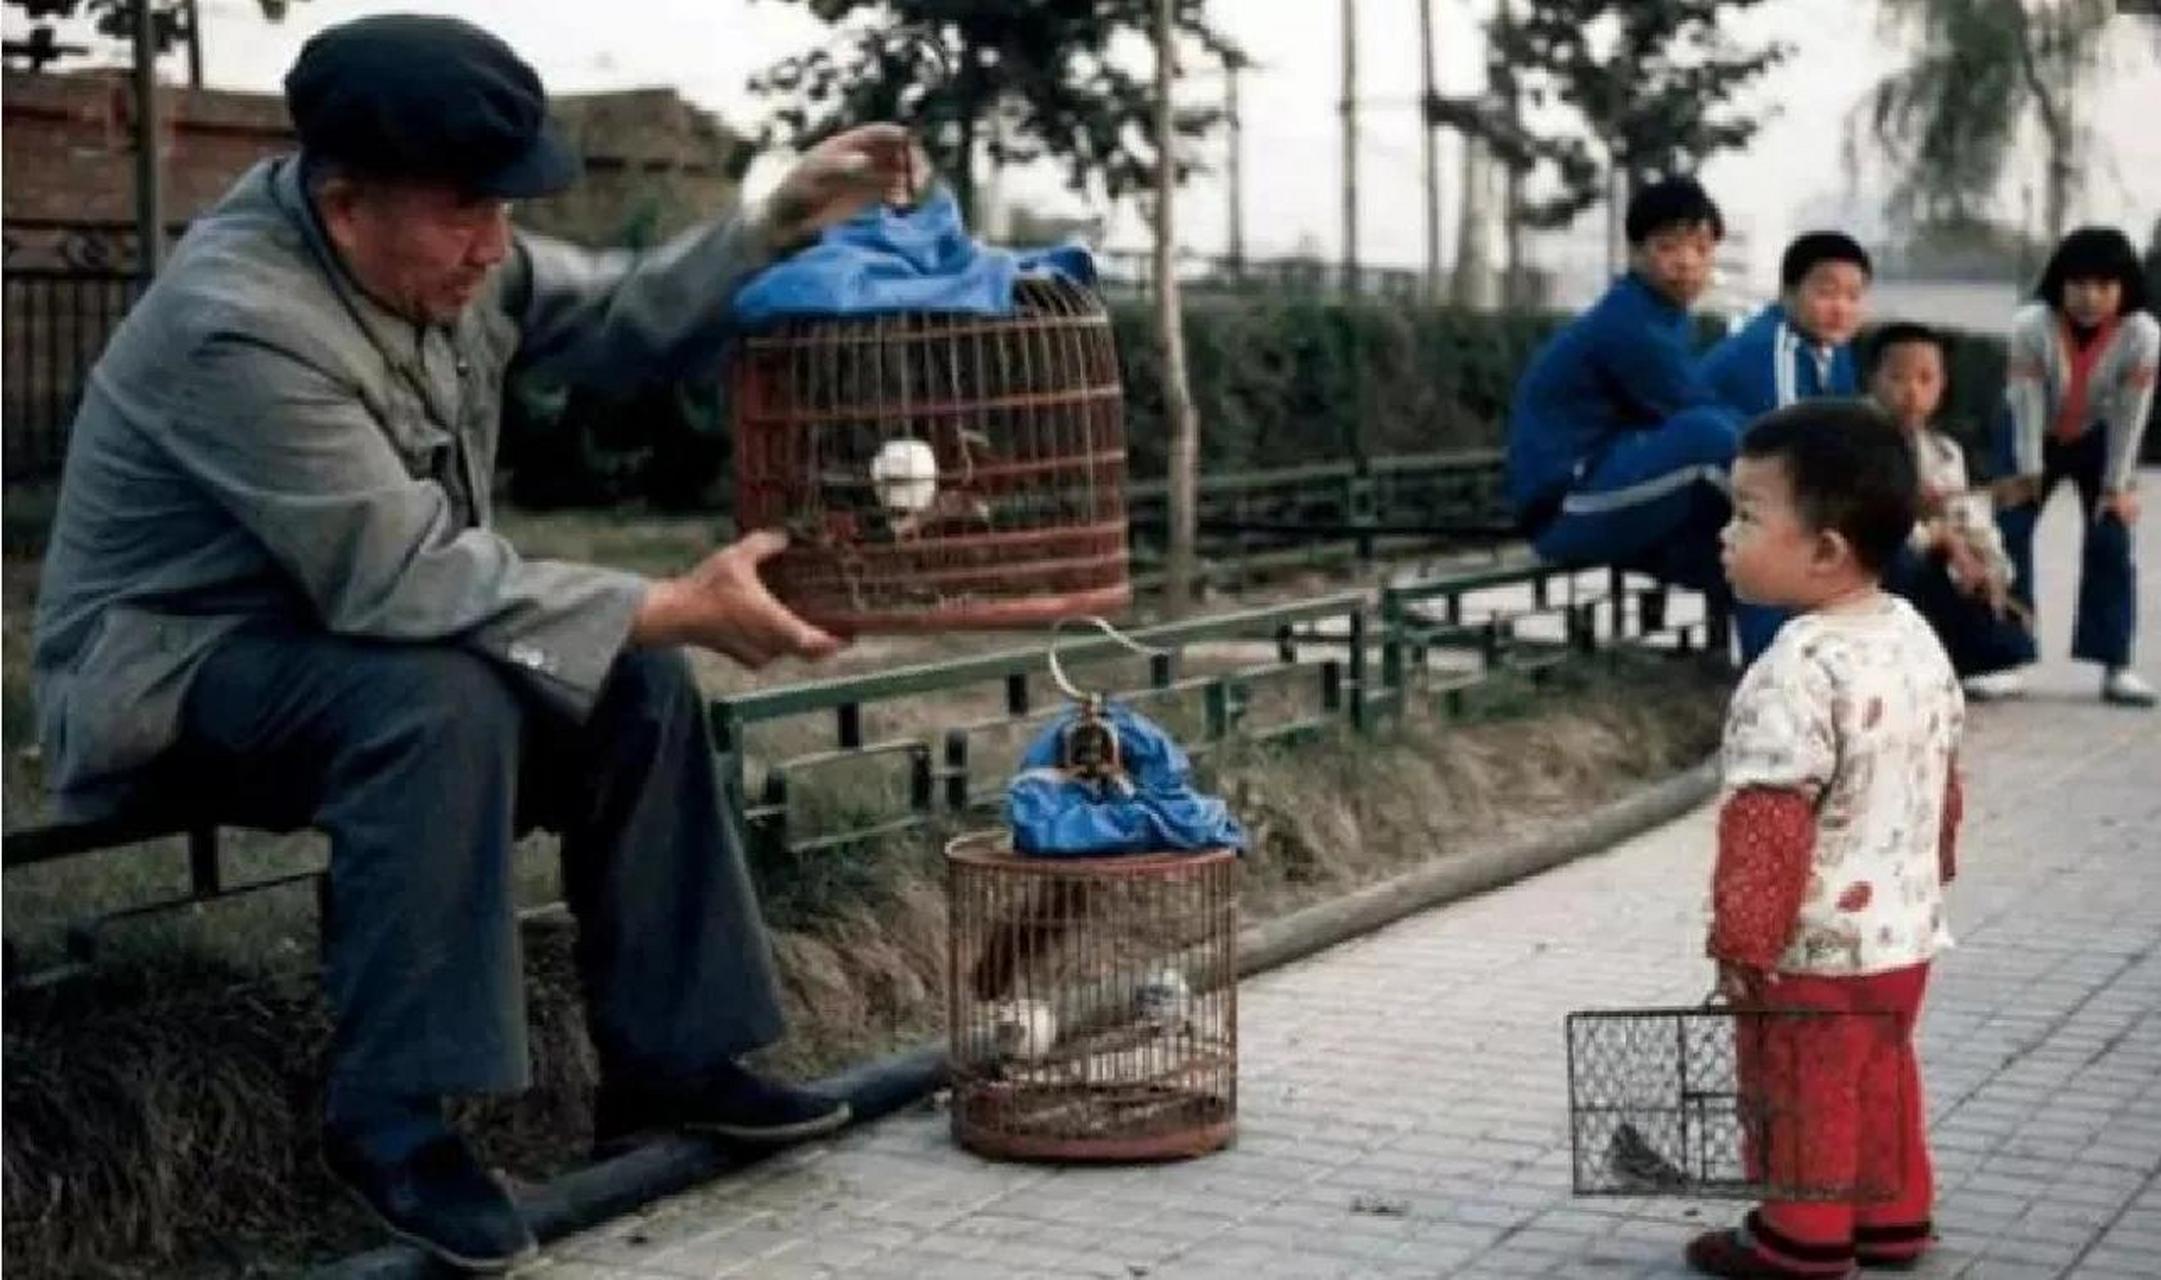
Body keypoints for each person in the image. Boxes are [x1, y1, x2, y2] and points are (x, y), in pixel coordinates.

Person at [30, 15, 926, 1271]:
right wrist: (672, 595)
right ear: (342, 206)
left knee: (637, 677)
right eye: (469, 213)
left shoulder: (438, 247)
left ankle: (673, 1062)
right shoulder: (236, 321)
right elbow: (397, 573)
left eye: (505, 210)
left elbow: (621, 309)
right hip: (177, 679)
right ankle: (391, 1121)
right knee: (447, 700)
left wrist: (777, 214)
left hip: (360, 649)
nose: (498, 248)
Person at [1688, 400, 1964, 1279]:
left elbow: (1767, 823)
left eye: (1745, 514)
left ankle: (1798, 1243)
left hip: (1813, 945)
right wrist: (1933, 871)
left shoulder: (1795, 667)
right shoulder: (1913, 636)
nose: (1724, 534)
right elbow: (1942, 782)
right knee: (1881, 1071)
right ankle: (1891, 1220)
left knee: (1802, 1085)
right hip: (1905, 931)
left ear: (1823, 550)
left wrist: (1739, 945)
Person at [1505, 177, 1743, 601]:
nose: (1687, 262)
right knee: (1709, 438)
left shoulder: (1663, 317)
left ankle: (1753, 656)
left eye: (1701, 249)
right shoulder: (1628, 324)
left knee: (1738, 560)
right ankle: (1811, 526)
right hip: (1566, 509)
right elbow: (1698, 416)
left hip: (1610, 489)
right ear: (1635, 253)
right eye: (1668, 247)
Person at [1980, 226, 2159, 707]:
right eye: (2078, 284)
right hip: (2029, 432)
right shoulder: (2030, 327)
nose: (2089, 297)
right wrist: (2027, 472)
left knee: (2111, 537)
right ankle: (2006, 660)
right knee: (2009, 532)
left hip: (2099, 438)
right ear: (2059, 283)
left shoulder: (2142, 335)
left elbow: (2130, 413)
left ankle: (2115, 665)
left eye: (2104, 285)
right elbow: (2027, 401)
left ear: (2125, 288)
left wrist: (2117, 486)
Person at [1699, 231, 1873, 661]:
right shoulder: (1774, 346)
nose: (1841, 308)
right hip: (1717, 498)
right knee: (1789, 539)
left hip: (1760, 491)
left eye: (1853, 295)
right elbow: (1789, 457)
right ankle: (1776, 673)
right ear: (1789, 291)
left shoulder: (1832, 350)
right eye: (1827, 291)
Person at [1868, 322, 2037, 683]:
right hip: (1883, 562)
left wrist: (1988, 569)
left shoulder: (1945, 452)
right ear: (1873, 379)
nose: (1912, 391)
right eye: (1898, 378)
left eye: (1925, 379)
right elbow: (1867, 518)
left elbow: (1971, 520)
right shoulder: (1856, 443)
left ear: (1942, 385)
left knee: (2011, 635)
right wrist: (1941, 539)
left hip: (1939, 564)